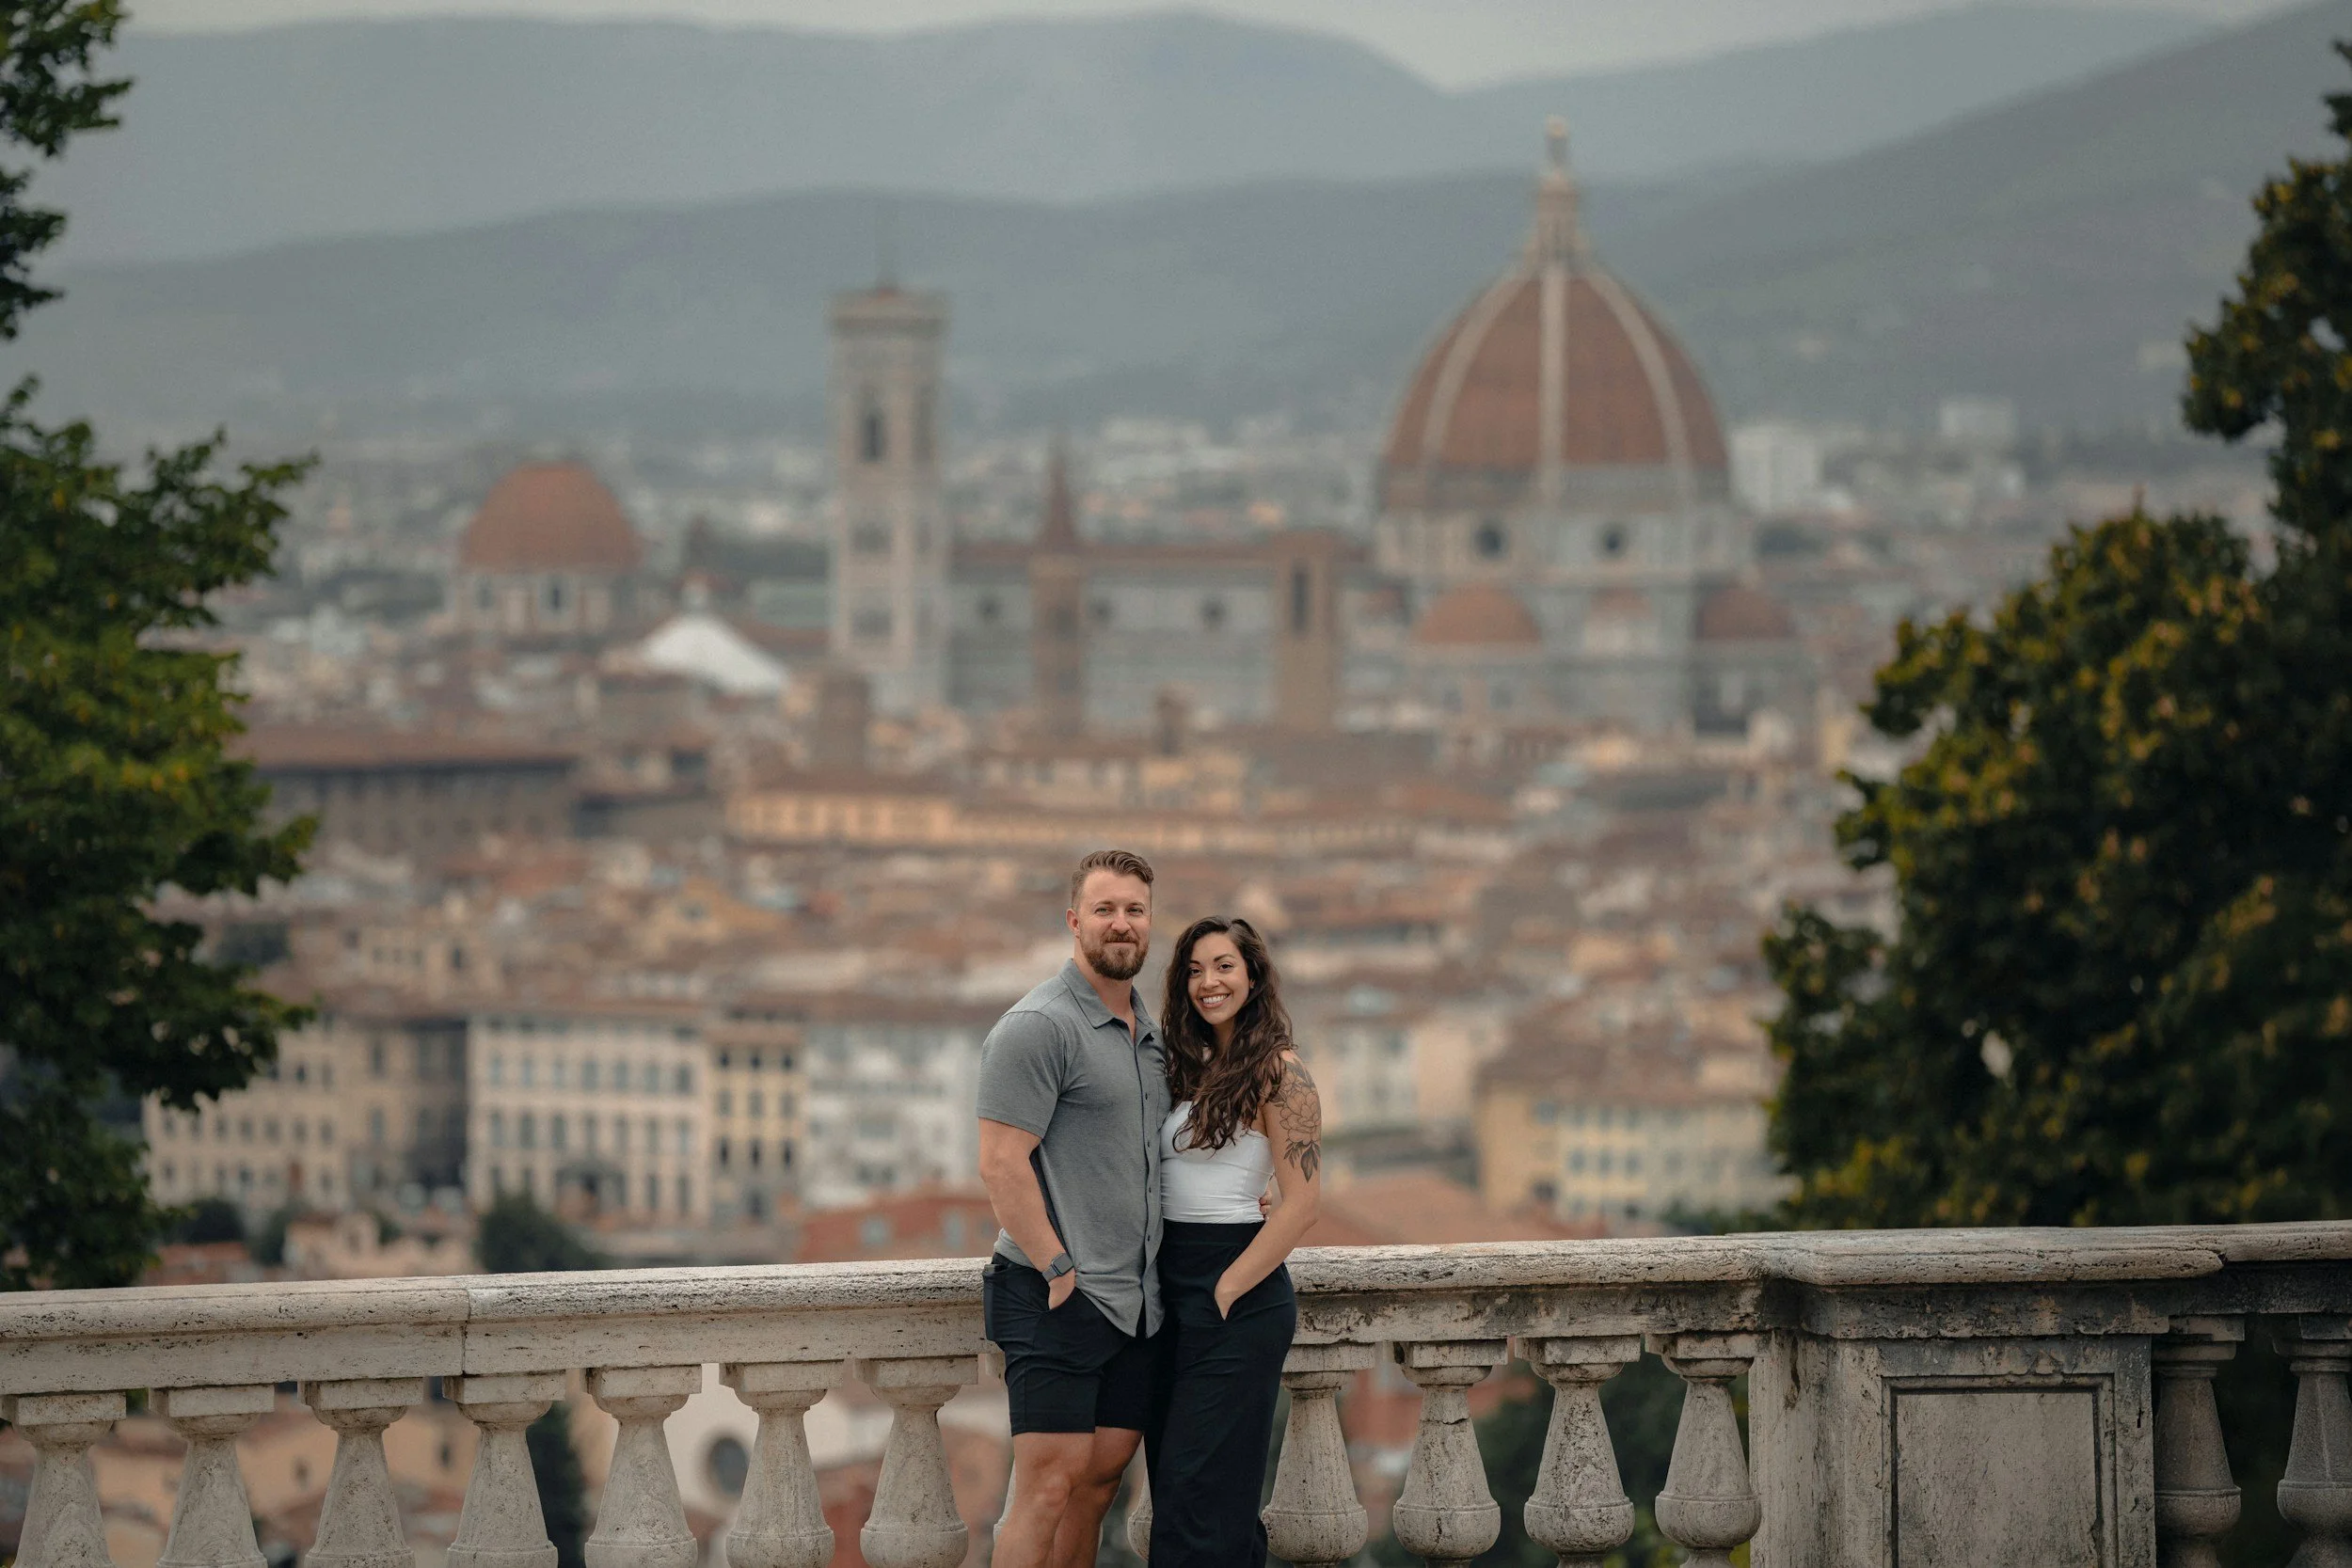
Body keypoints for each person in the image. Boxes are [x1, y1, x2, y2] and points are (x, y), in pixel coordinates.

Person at [977, 847, 1170, 1568]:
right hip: (1056, 1292)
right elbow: (1000, 1161)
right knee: (1046, 1489)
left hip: (1132, 1304)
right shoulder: (1038, 1026)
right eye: (1105, 909)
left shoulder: (1151, 1037)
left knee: (1097, 1485)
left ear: (1150, 924)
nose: (1120, 923)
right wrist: (1060, 1268)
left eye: (1134, 910)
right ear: (1073, 920)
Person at [1146, 914, 1323, 1567]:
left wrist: (1224, 1288)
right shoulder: (1188, 1068)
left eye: (1223, 965)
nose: (1208, 981)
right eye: (1193, 969)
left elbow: (1301, 1204)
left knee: (1200, 1497)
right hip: (1169, 1294)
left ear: (1252, 974)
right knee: (1183, 1492)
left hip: (1236, 1296)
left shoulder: (1281, 1071)